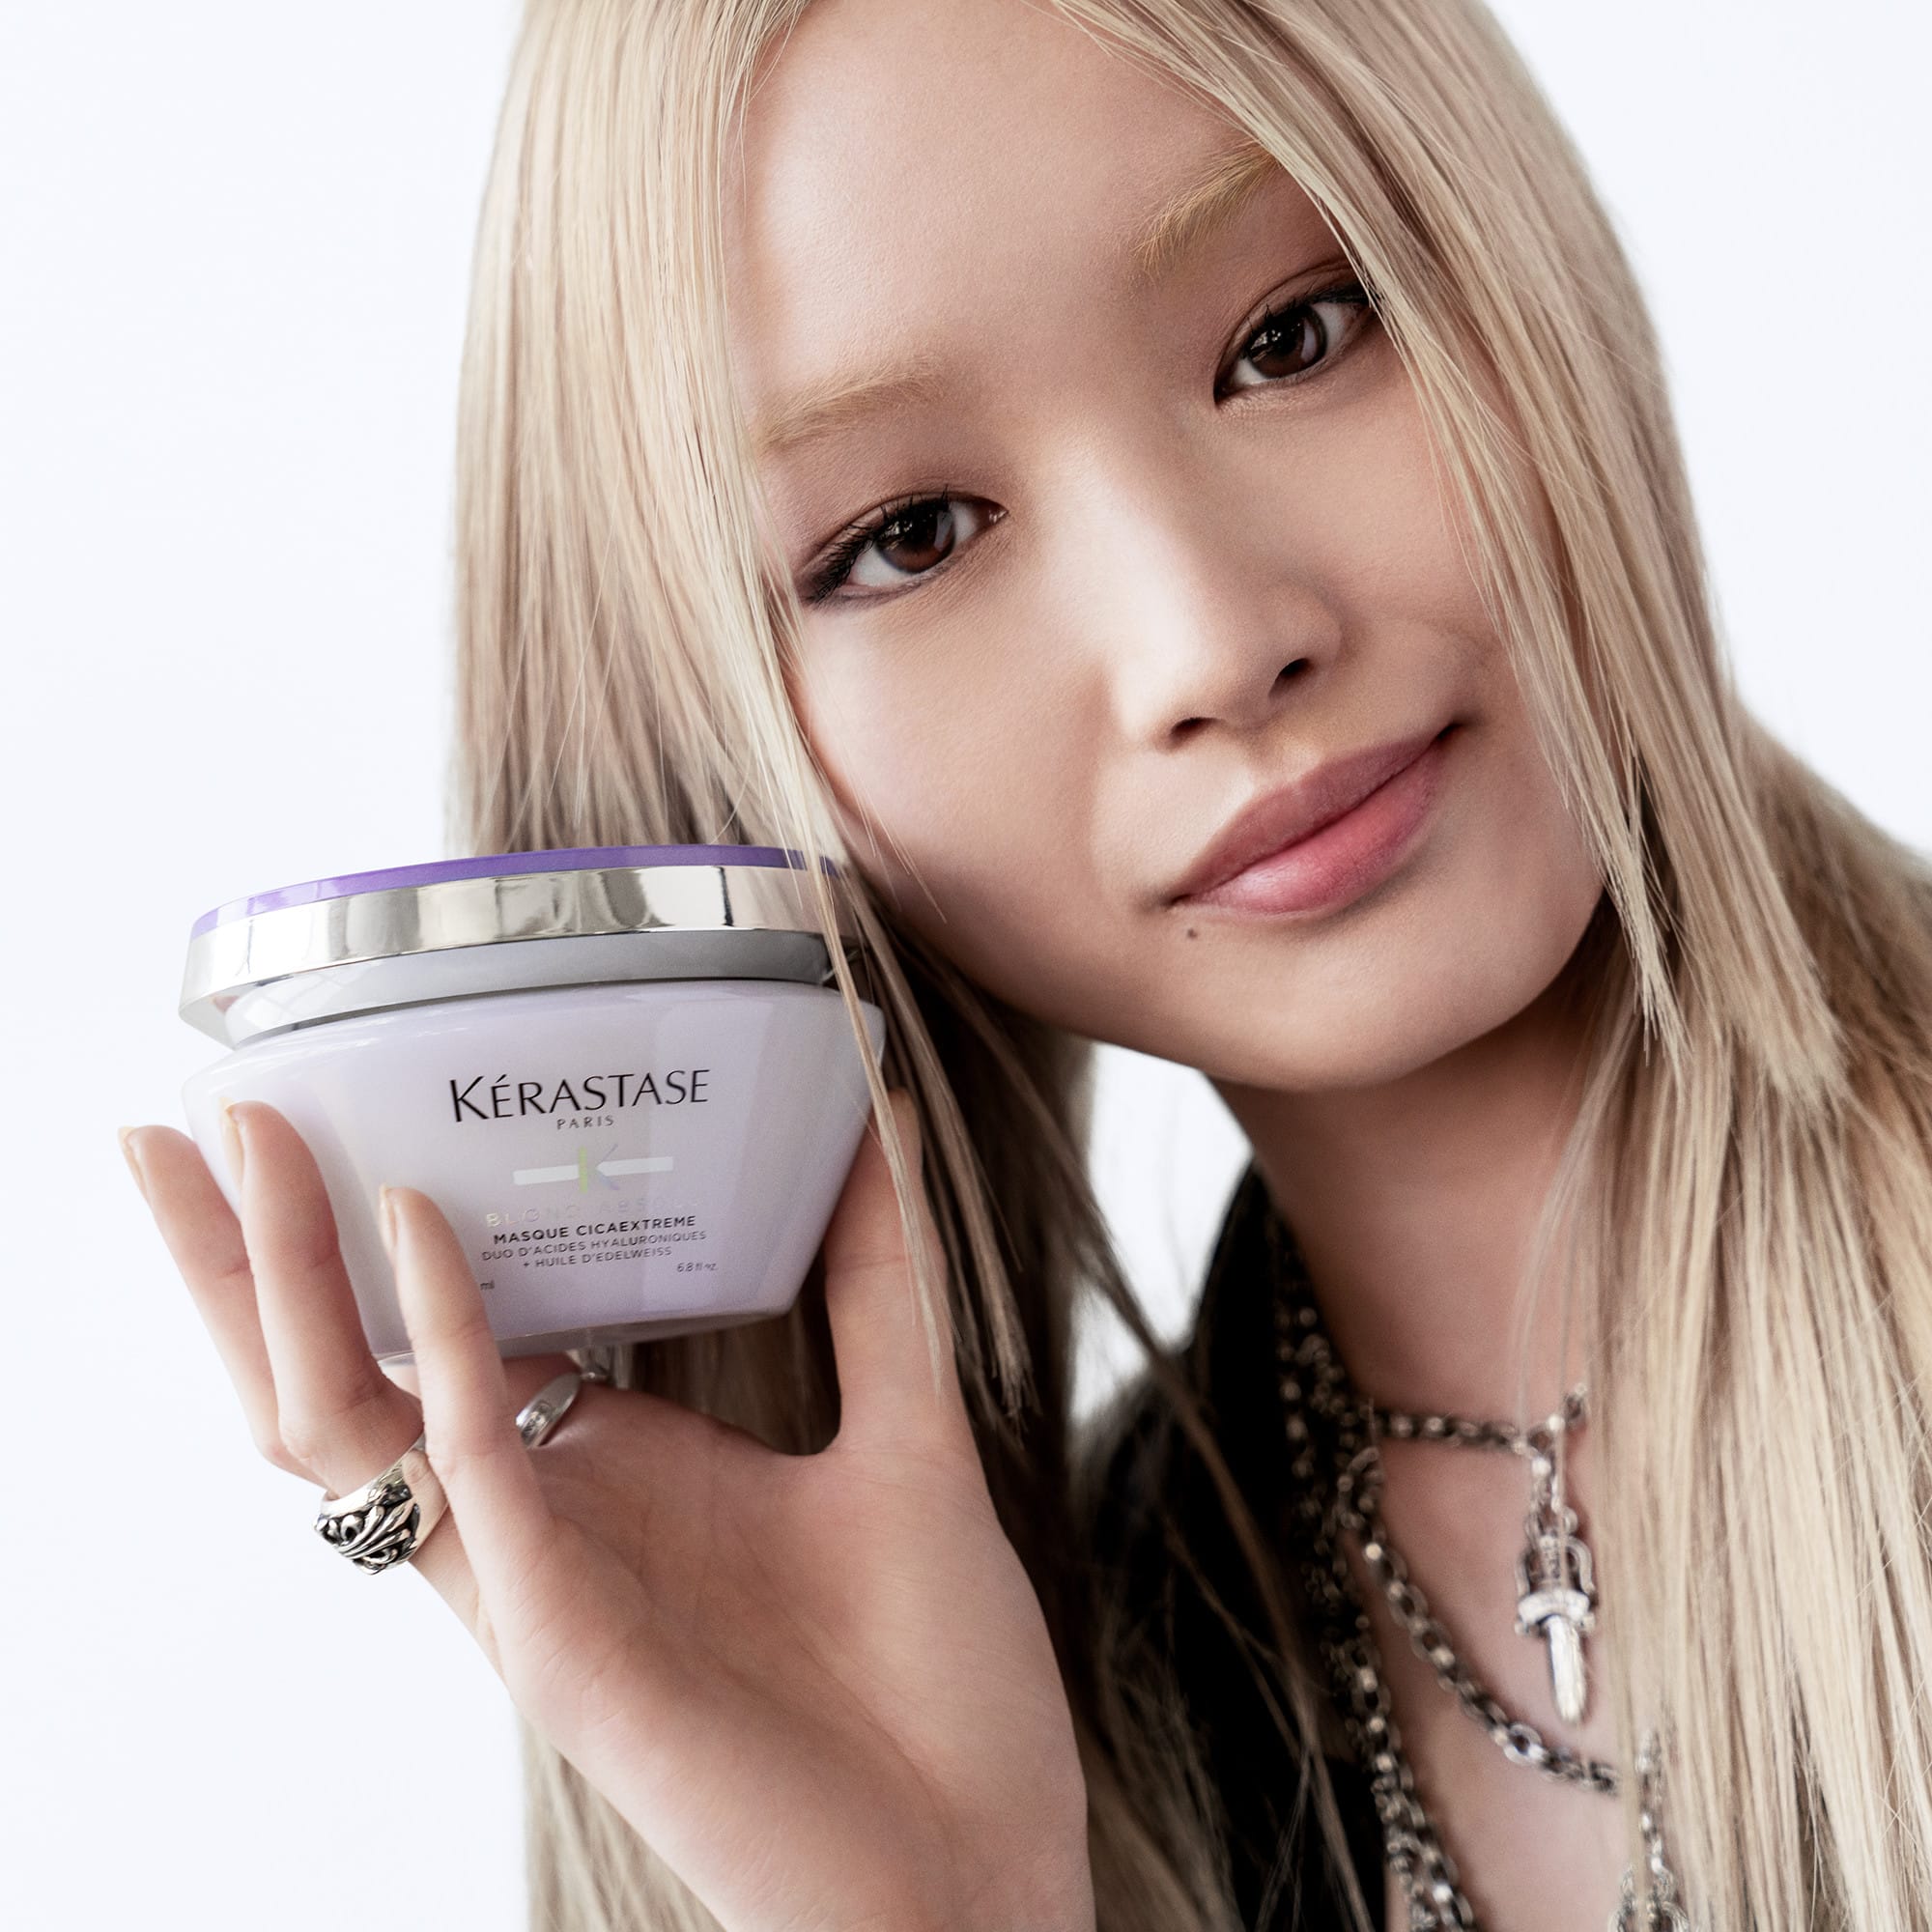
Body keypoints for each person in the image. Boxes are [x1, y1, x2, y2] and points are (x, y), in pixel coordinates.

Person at [115, 0, 1932, 1927]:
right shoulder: (1048, 1673)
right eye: (912, 535)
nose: (1210, 641)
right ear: (713, 775)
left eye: (1294, 334)